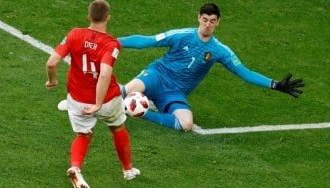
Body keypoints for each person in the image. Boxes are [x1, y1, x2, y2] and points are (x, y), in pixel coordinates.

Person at [118, 3, 304, 132]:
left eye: (212, 21)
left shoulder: (220, 51)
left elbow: (244, 73)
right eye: (205, 19)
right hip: (157, 76)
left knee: (186, 124)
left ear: (218, 22)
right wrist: (113, 42)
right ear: (199, 17)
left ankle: (140, 112)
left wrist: (275, 84)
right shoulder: (181, 35)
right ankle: (113, 90)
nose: (207, 25)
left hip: (175, 93)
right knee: (128, 91)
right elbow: (147, 41)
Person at [45, 1, 140, 187]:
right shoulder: (111, 43)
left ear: (89, 16)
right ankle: (128, 170)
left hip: (77, 99)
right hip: (107, 99)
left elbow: (51, 63)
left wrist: (52, 80)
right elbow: (104, 73)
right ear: (108, 17)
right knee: (118, 128)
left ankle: (75, 167)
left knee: (83, 134)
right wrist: (97, 103)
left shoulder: (74, 34)